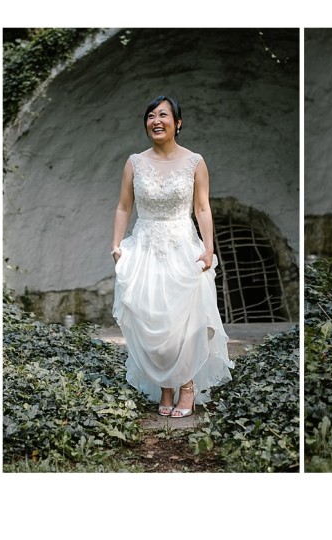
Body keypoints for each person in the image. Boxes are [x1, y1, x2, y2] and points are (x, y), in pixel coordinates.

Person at [111, 95, 233, 418]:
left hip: (182, 244)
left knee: (185, 321)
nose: (156, 121)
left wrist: (209, 248)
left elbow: (202, 207)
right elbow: (124, 206)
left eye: (163, 115)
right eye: (151, 116)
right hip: (147, 244)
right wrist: (116, 245)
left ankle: (187, 386)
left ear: (177, 123)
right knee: (153, 317)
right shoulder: (134, 163)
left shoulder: (195, 162)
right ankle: (165, 387)